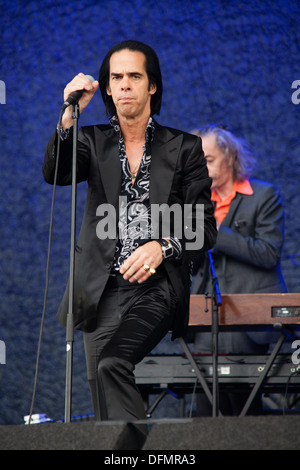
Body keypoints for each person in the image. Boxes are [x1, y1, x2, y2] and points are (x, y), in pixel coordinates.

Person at [42, 40, 217, 446]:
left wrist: (162, 246)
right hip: (98, 290)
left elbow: (203, 227)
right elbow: (55, 172)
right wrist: (69, 116)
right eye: (115, 78)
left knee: (113, 363)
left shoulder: (184, 147)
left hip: (156, 288)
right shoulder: (92, 140)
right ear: (106, 88)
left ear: (151, 85)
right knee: (107, 414)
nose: (123, 86)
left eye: (133, 76)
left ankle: (153, 450)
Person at [191, 124, 287, 416]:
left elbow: (268, 253)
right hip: (207, 324)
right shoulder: (195, 204)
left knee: (246, 413)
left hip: (250, 323)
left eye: (208, 160)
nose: (201, 167)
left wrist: (216, 233)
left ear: (230, 157)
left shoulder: (264, 195)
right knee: (206, 412)